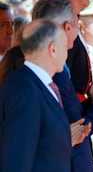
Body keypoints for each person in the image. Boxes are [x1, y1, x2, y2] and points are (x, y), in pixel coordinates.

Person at [31, 0, 93, 172]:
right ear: (68, 27)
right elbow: (77, 128)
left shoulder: (50, 66)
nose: (80, 30)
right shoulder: (51, 71)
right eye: (78, 23)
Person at [0, 19, 71, 171]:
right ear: (53, 49)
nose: (67, 52)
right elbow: (16, 160)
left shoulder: (35, 84)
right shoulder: (24, 90)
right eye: (65, 46)